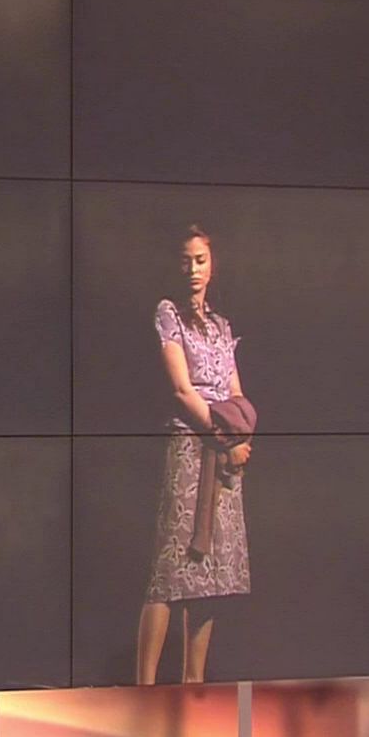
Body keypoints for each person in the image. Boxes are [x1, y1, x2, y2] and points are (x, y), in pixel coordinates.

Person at [135, 225, 253, 686]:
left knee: (209, 576)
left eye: (200, 260)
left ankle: (193, 685)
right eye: (185, 260)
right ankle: (144, 688)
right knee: (170, 568)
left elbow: (236, 391)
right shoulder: (168, 314)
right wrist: (225, 435)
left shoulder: (221, 325)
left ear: (212, 264)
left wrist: (240, 437)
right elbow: (183, 390)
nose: (193, 269)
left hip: (224, 453)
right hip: (190, 445)